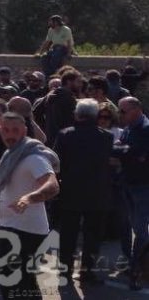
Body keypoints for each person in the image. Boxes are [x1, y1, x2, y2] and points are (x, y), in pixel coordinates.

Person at [0, 112, 60, 300]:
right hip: (12, 226)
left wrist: (29, 198)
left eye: (15, 130)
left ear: (24, 131)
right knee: (21, 284)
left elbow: (52, 185)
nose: (10, 135)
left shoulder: (33, 158)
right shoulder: (12, 154)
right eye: (6, 130)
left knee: (14, 285)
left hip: (26, 230)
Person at [53, 99, 113, 284]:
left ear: (77, 114)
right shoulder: (106, 137)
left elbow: (56, 162)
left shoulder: (65, 135)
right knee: (92, 235)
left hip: (70, 190)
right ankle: (87, 271)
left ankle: (65, 269)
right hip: (97, 192)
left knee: (68, 233)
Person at [117, 97, 149, 290]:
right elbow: (125, 150)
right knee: (130, 227)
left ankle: (137, 270)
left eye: (123, 111)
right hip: (128, 184)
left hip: (143, 186)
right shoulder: (129, 128)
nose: (120, 114)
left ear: (136, 109)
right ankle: (134, 264)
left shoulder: (146, 129)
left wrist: (122, 152)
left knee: (141, 231)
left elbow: (139, 155)